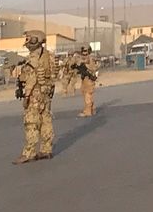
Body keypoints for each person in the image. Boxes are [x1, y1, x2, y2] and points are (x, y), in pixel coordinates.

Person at [11, 30, 59, 164]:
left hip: (35, 93)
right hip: (46, 92)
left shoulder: (34, 58)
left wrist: (26, 96)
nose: (26, 41)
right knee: (46, 120)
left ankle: (29, 152)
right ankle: (46, 149)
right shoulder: (48, 56)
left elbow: (31, 78)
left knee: (31, 122)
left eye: (28, 39)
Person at [70, 46, 98, 118]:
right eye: (83, 51)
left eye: (85, 51)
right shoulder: (85, 58)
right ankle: (92, 108)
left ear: (89, 51)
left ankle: (88, 111)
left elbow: (88, 64)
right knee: (84, 92)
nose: (84, 53)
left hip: (89, 78)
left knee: (87, 94)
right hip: (85, 78)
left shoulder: (89, 58)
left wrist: (78, 60)